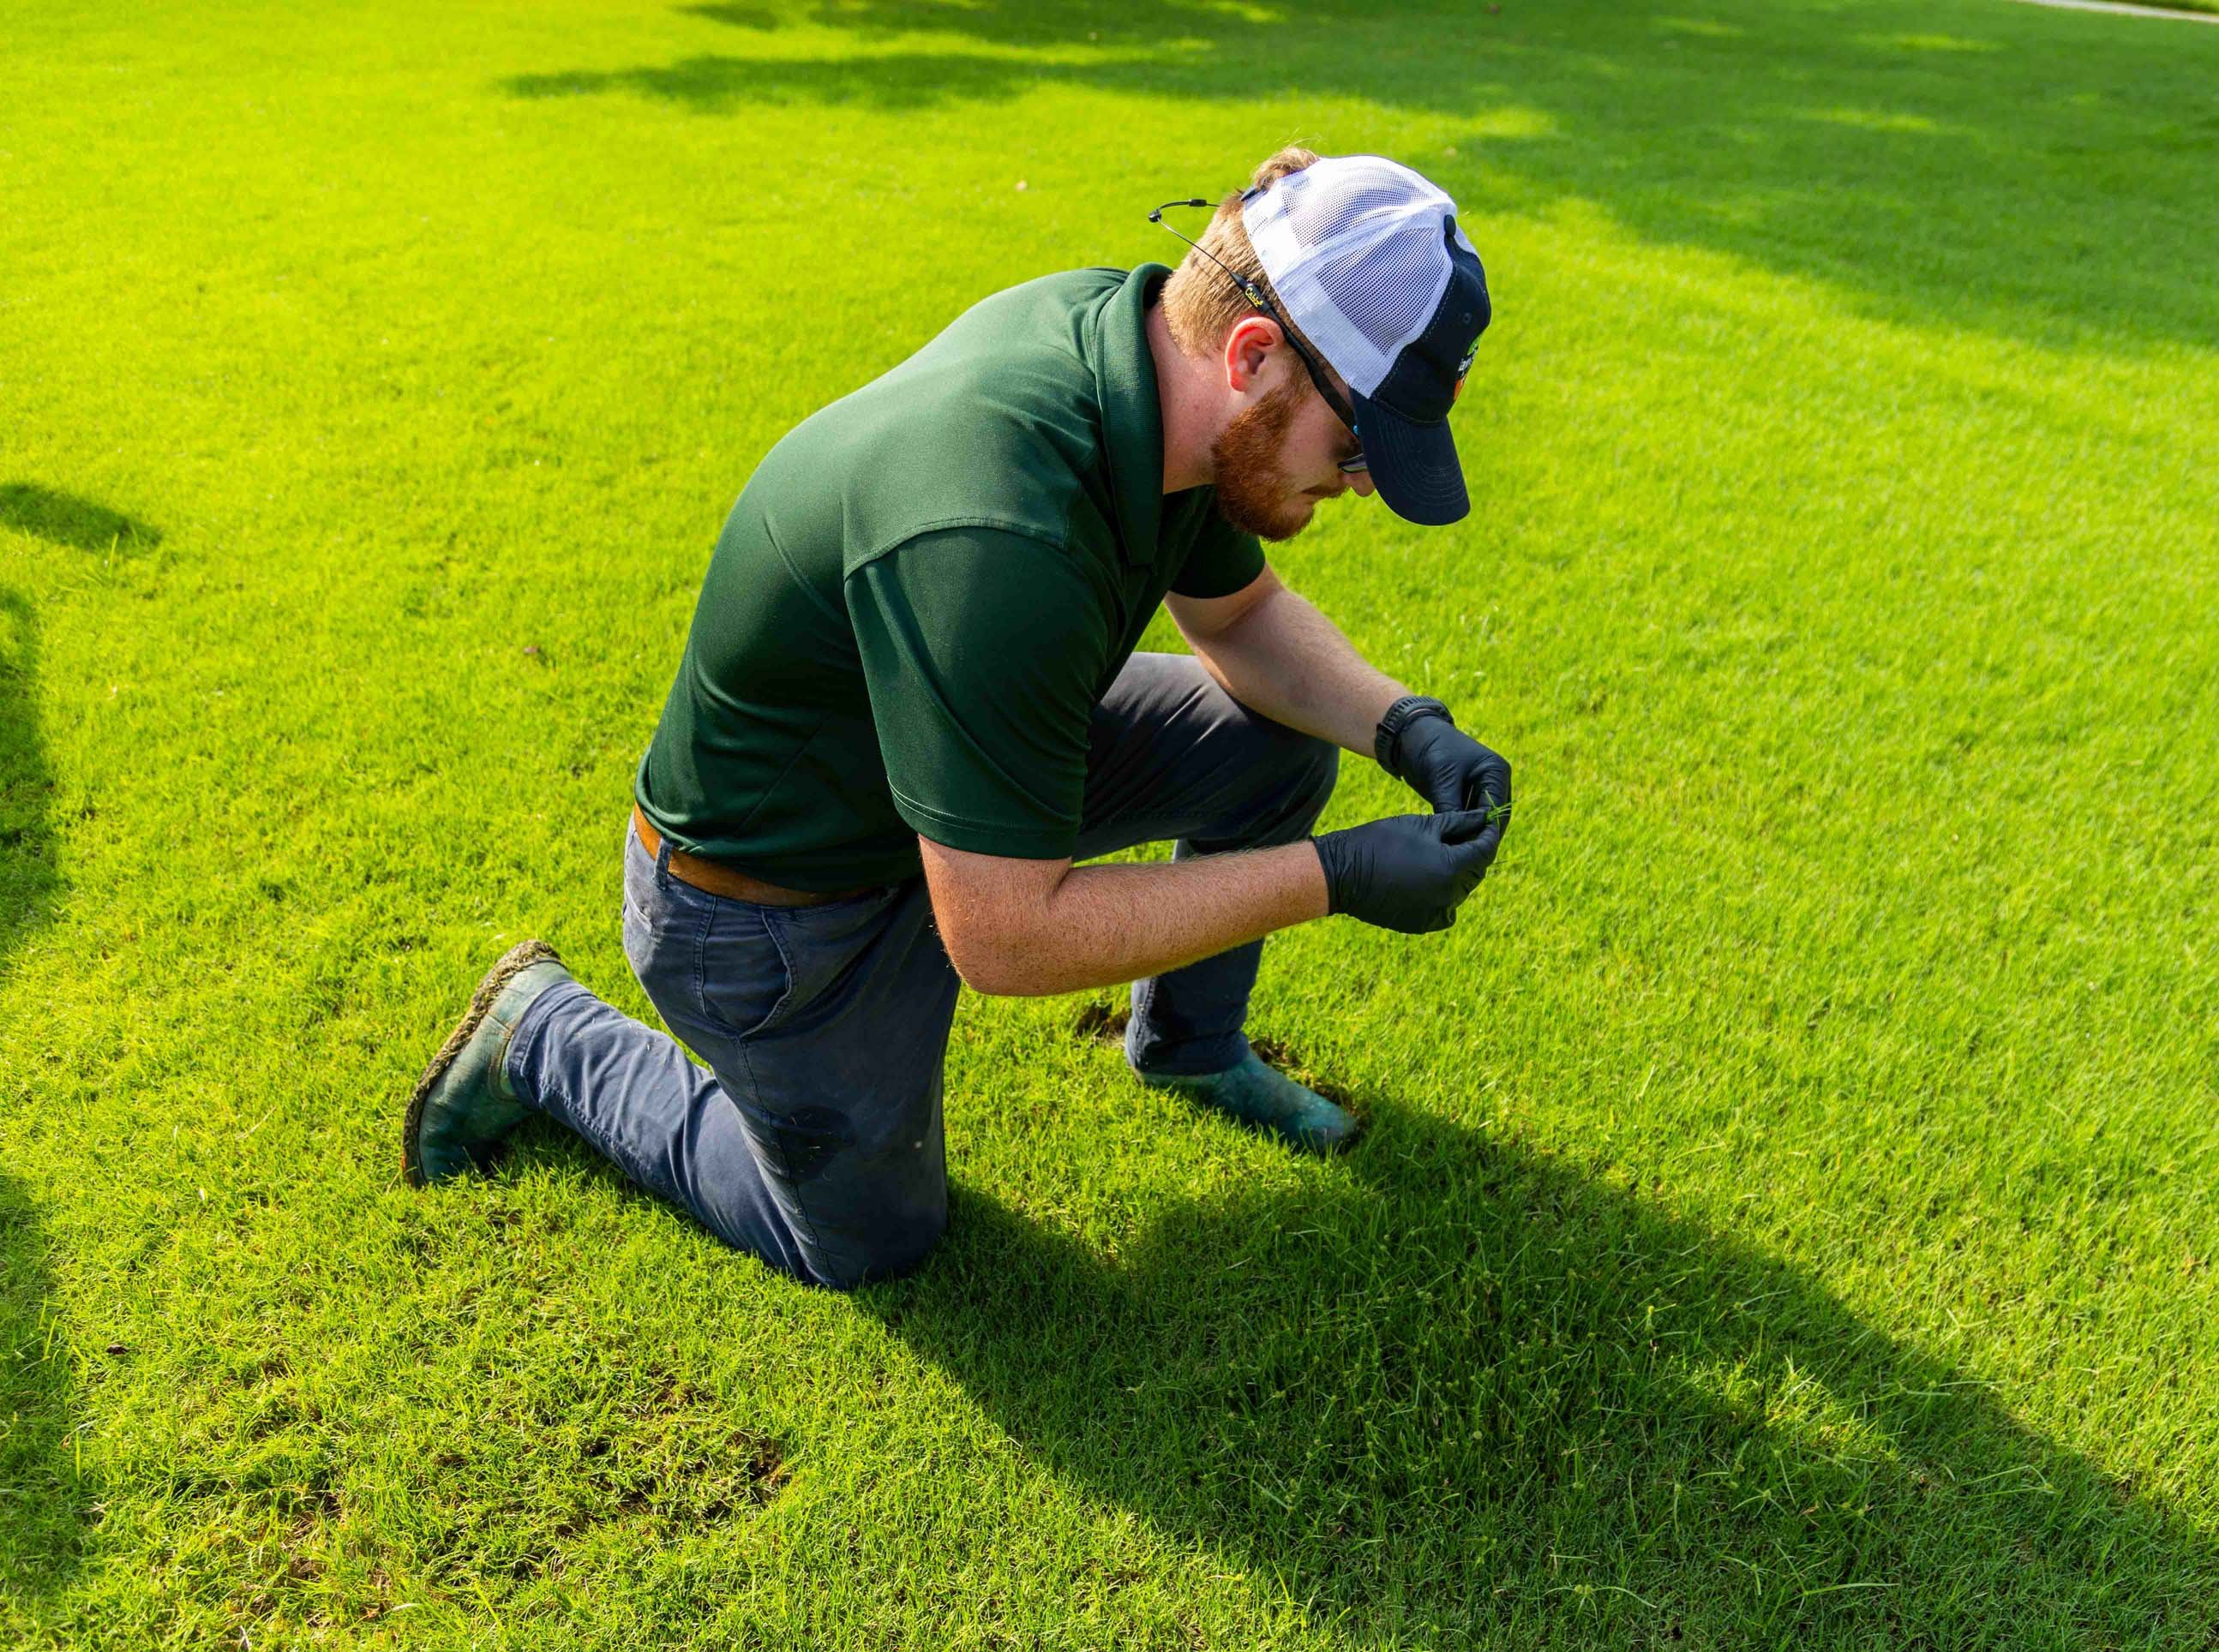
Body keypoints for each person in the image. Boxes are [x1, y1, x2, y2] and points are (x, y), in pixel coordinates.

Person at [399, 147, 1512, 1288]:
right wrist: (1337, 877)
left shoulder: (1152, 368)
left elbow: (1239, 618)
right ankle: (544, 1037)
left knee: (1273, 741)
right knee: (869, 1242)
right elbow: (1005, 937)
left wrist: (1402, 727)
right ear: (1253, 354)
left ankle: (1191, 1048)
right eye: (1362, 442)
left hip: (925, 786)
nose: (1368, 483)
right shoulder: (1003, 534)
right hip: (767, 909)